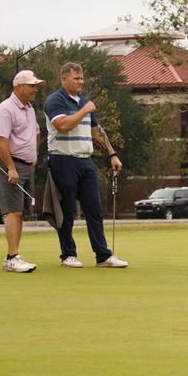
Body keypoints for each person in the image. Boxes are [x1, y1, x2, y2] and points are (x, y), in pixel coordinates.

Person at [44, 62, 128, 268]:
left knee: (94, 209)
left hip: (85, 160)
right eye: (76, 78)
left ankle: (103, 255)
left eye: (82, 78)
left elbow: (95, 130)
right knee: (66, 209)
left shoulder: (83, 102)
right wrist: (85, 109)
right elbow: (62, 125)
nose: (81, 82)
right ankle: (68, 255)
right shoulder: (56, 100)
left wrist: (112, 154)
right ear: (64, 79)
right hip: (63, 159)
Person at [0, 70, 45, 273]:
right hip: (11, 166)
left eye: (36, 86)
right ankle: (12, 257)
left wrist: (34, 156)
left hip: (26, 166)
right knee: (13, 212)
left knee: (21, 212)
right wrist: (11, 168)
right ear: (19, 86)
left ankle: (14, 255)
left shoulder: (29, 109)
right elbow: (0, 140)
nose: (35, 90)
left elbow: (37, 133)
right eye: (32, 86)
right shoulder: (5, 110)